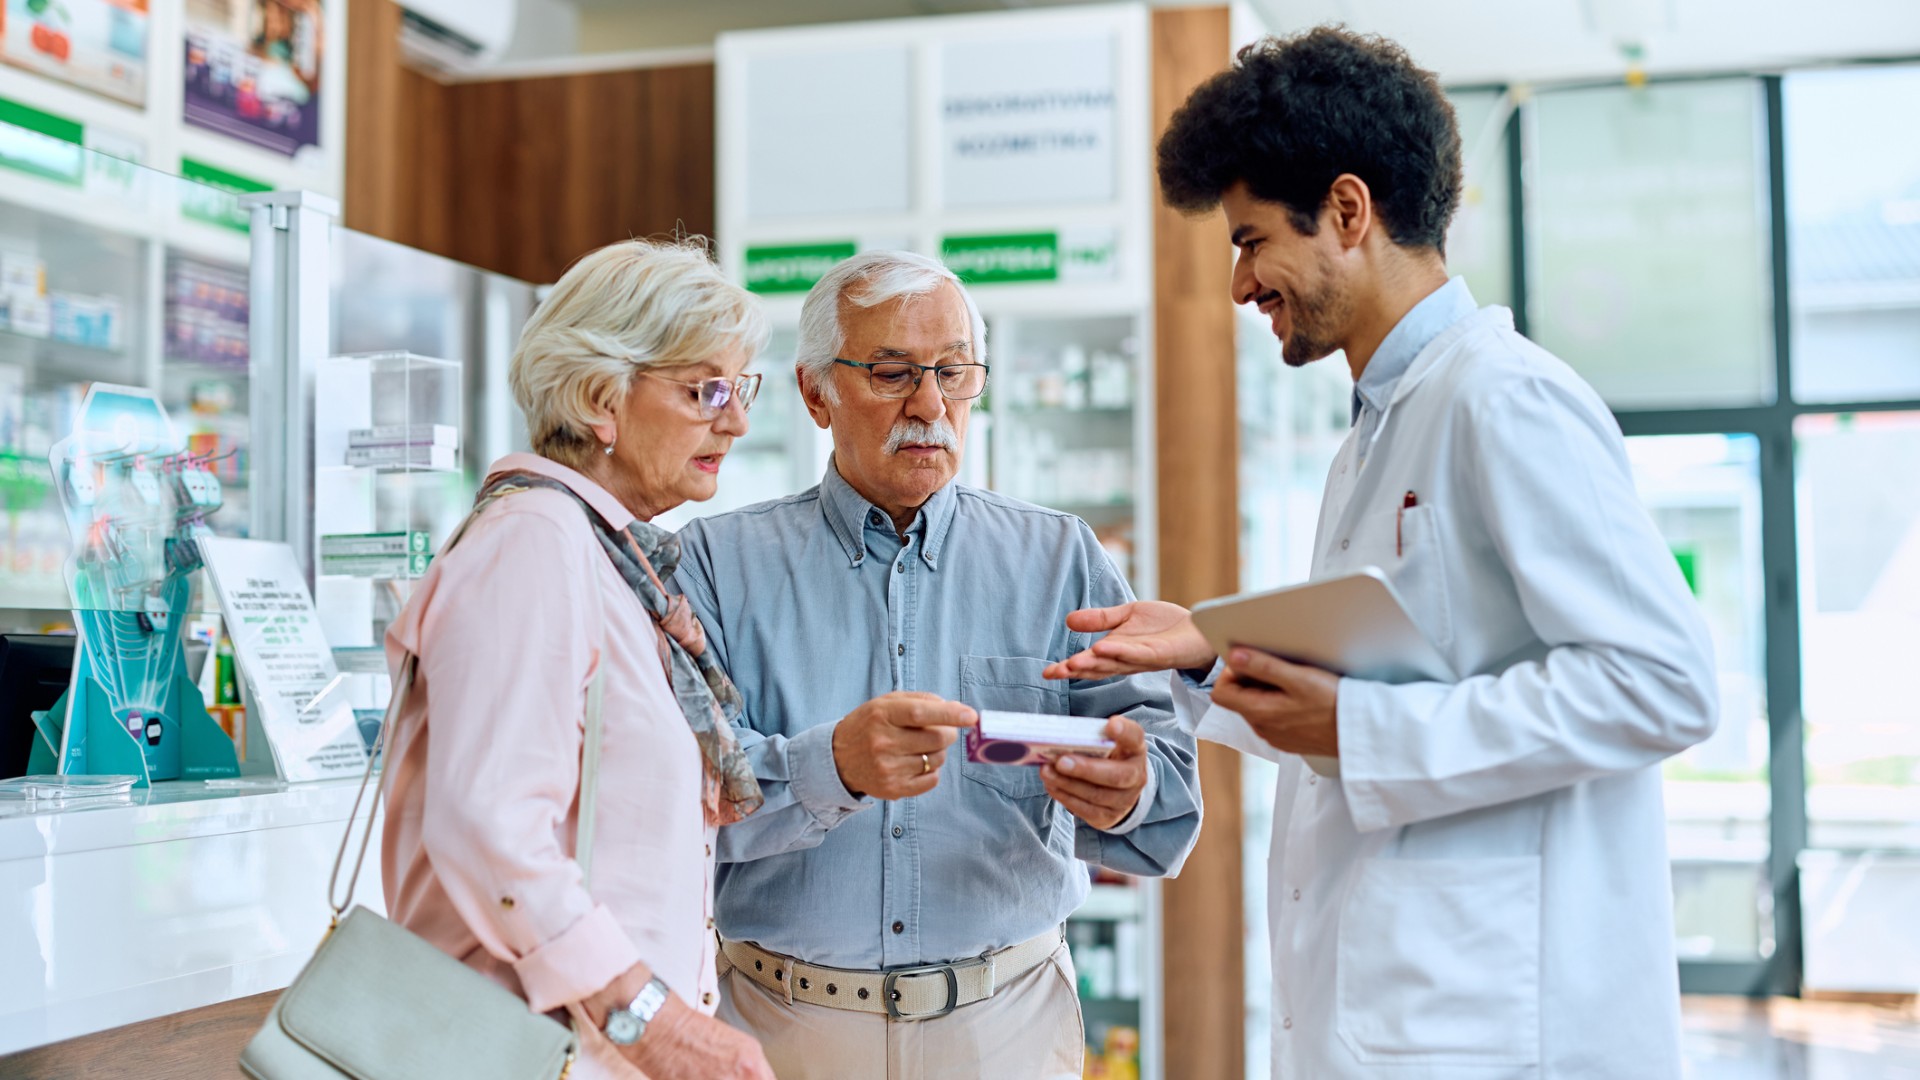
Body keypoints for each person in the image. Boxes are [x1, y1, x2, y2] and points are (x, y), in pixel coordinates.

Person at [1047, 27, 1719, 1080]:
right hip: (1400, 1010)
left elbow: (1662, 684)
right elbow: (1392, 676)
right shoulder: (1376, 432)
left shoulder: (1506, 400)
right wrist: (1203, 653)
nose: (1239, 285)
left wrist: (1361, 728)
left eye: (1250, 240)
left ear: (1349, 212)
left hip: (1500, 1025)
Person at [670, 250, 1203, 1080]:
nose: (930, 405)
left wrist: (1132, 792)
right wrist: (831, 766)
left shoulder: (1058, 556)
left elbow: (1169, 785)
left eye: (954, 373)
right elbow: (675, 800)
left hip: (1005, 1028)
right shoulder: (714, 564)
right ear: (816, 392)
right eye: (892, 373)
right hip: (783, 1031)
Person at [380, 239, 777, 1080]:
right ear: (603, 399)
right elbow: (491, 822)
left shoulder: (605, 555)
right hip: (534, 1053)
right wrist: (649, 1019)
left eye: (742, 390)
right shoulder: (535, 539)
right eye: (708, 388)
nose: (736, 419)